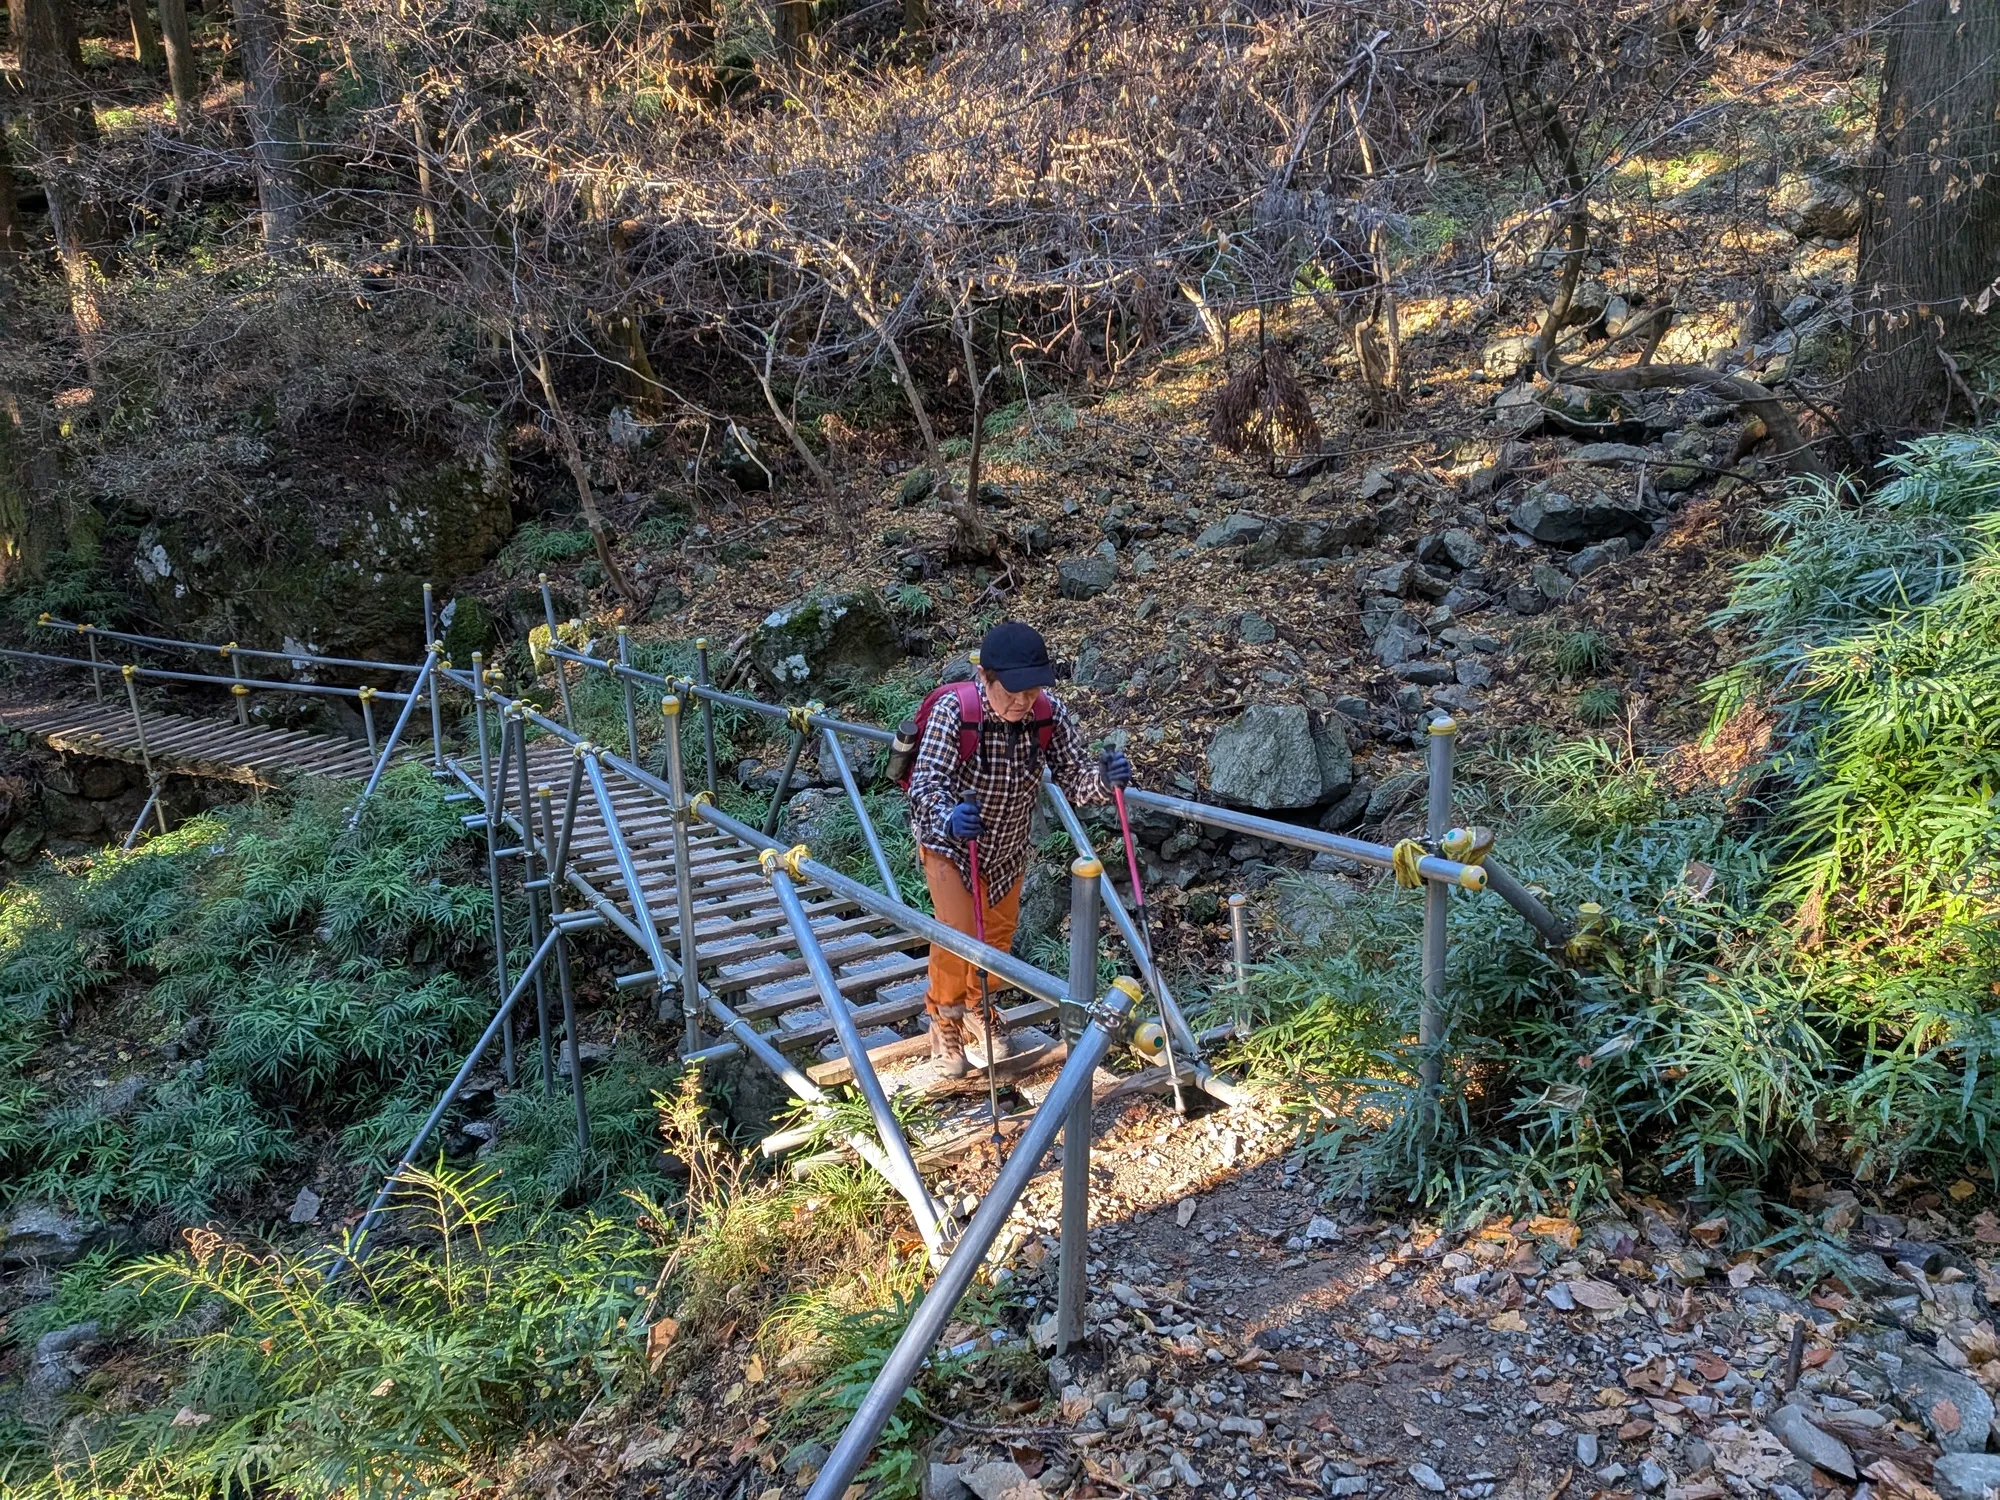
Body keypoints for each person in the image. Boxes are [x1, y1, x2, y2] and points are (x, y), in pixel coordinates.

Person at [907, 621, 1131, 1077]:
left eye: (1031, 690)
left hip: (1007, 848)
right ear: (985, 677)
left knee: (997, 936)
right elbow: (927, 782)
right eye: (1011, 690)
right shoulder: (955, 712)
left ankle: (977, 1006)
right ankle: (943, 1020)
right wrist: (948, 816)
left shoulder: (1049, 713)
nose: (1022, 700)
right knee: (957, 931)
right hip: (951, 841)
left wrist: (1106, 781)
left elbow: (1074, 778)